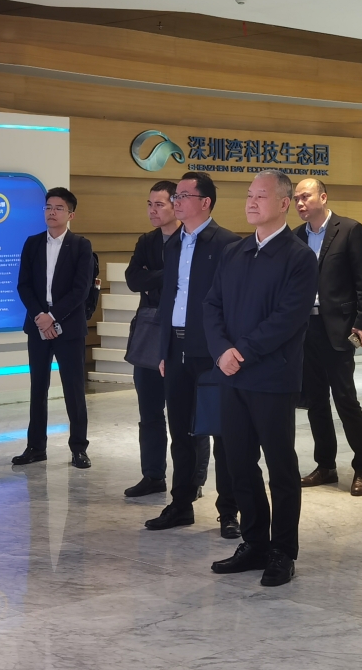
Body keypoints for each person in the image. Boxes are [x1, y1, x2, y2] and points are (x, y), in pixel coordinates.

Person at [204, 170, 318, 587]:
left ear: (284, 203)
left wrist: (242, 352)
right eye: (249, 195)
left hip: (272, 377)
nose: (251, 202)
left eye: (261, 196)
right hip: (231, 376)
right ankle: (254, 543)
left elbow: (288, 317)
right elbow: (212, 306)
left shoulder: (299, 257)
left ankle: (282, 551)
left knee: (280, 467)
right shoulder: (234, 252)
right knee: (239, 463)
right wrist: (222, 350)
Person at [145, 172, 240, 538]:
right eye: (176, 196)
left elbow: (232, 304)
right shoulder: (172, 244)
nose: (177, 201)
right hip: (176, 348)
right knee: (181, 433)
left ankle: (229, 511)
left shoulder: (227, 244)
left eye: (184, 195)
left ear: (205, 202)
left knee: (222, 436)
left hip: (212, 352)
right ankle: (181, 504)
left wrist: (226, 350)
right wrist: (164, 349)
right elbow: (169, 298)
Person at [292, 178, 362, 496]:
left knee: (345, 399)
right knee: (315, 401)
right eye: (296, 198)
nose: (300, 203)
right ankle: (325, 466)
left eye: (306, 196)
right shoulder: (296, 236)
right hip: (306, 329)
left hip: (340, 329)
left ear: (323, 197)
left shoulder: (350, 230)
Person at [13, 187, 95, 469]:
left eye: (59, 208)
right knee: (38, 388)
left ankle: (79, 448)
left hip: (68, 327)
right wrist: (40, 316)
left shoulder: (81, 246)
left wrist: (53, 317)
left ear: (71, 214)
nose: (52, 212)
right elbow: (23, 285)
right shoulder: (32, 243)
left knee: (74, 390)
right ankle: (36, 447)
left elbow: (81, 290)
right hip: (38, 325)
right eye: (48, 207)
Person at [122, 179, 181, 498]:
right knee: (150, 412)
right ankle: (153, 475)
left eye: (159, 204)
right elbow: (134, 279)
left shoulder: (191, 238)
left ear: (177, 204)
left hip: (182, 332)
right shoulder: (147, 241)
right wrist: (168, 275)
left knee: (186, 414)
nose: (152, 210)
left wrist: (153, 277)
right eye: (149, 204)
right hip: (150, 330)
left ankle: (190, 481)